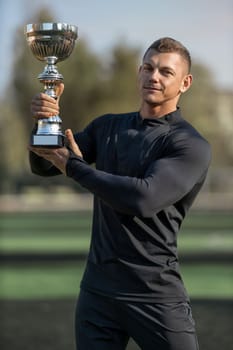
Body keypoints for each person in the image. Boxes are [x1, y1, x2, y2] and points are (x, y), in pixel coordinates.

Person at [29, 37, 211, 350]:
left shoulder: (190, 144)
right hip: (97, 294)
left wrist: (74, 167)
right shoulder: (108, 127)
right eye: (148, 67)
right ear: (138, 72)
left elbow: (142, 199)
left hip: (154, 295)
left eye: (166, 72)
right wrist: (44, 124)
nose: (154, 76)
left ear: (185, 83)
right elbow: (45, 166)